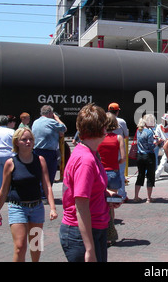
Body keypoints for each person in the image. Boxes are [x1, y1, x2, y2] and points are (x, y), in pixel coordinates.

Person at [59, 104, 122, 262]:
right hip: (81, 233)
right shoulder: (86, 160)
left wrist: (106, 195)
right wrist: (89, 249)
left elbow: (86, 191)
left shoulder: (90, 153)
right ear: (102, 129)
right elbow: (81, 205)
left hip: (94, 228)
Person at [0, 127, 58, 262]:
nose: (28, 142)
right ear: (17, 142)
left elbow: (47, 185)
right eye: (24, 140)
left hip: (36, 208)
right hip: (18, 208)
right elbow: (4, 189)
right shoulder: (11, 163)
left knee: (36, 245)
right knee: (20, 246)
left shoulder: (40, 160)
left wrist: (52, 208)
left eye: (30, 139)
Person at [97, 112, 126, 244]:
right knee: (111, 204)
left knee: (100, 203)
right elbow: (123, 158)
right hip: (113, 173)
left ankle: (102, 231)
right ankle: (110, 231)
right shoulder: (119, 138)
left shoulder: (98, 137)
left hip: (100, 173)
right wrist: (115, 163)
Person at [31, 105, 67, 185]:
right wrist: (57, 118)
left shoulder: (35, 122)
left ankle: (41, 193)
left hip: (36, 151)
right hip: (48, 152)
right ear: (51, 113)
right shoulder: (51, 122)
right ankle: (46, 193)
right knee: (49, 174)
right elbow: (64, 128)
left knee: (39, 173)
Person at [108, 102, 129, 201]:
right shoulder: (121, 122)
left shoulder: (102, 120)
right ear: (117, 112)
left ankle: (107, 196)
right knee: (120, 173)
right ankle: (120, 196)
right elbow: (126, 135)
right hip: (118, 151)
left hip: (106, 150)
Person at [134, 114, 157, 203]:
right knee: (150, 176)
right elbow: (151, 146)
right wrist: (157, 142)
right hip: (149, 156)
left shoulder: (139, 130)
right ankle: (148, 198)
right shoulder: (149, 132)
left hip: (140, 155)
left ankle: (136, 196)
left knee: (140, 175)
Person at [154, 113, 168, 180]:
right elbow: (156, 135)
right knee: (163, 161)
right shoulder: (159, 127)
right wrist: (159, 139)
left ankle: (156, 176)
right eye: (162, 119)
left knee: (165, 161)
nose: (162, 120)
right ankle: (156, 176)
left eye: (164, 120)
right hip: (165, 147)